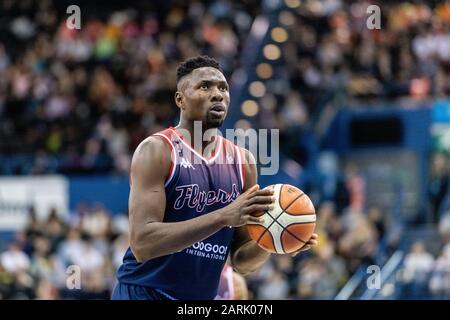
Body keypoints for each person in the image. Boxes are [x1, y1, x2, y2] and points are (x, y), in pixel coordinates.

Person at [111, 56, 318, 300]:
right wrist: (222, 216)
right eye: (205, 86)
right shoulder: (158, 150)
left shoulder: (243, 162)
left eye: (223, 88)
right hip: (143, 293)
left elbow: (241, 260)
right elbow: (143, 244)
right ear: (180, 99)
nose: (218, 94)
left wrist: (273, 237)